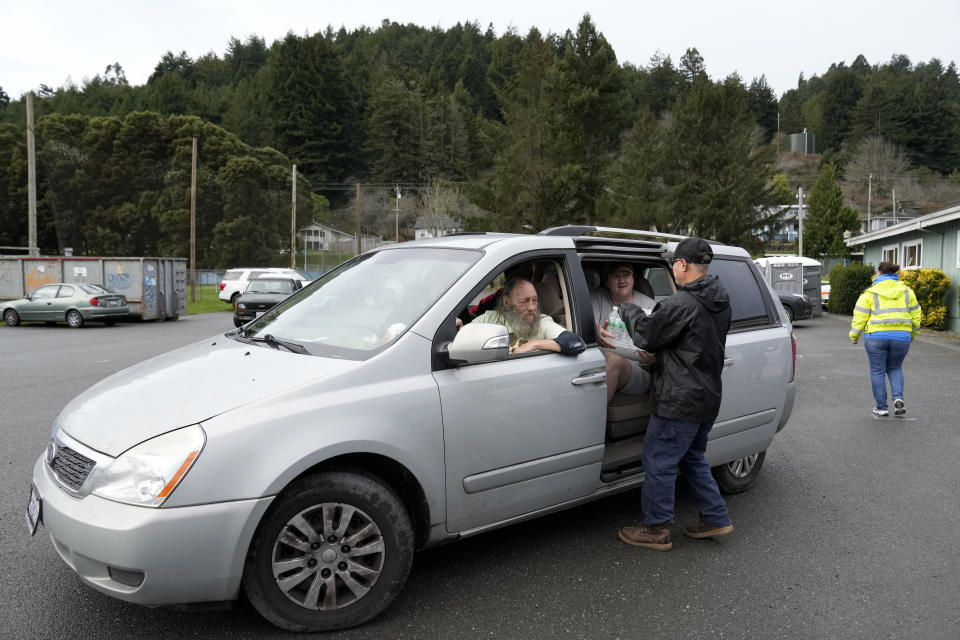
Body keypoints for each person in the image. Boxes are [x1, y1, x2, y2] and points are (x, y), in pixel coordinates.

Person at [601, 237, 733, 551]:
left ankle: (657, 528)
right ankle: (716, 516)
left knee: (659, 461)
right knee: (692, 458)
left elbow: (646, 335)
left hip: (679, 400)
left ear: (683, 265)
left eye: (674, 262)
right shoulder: (720, 298)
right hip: (707, 396)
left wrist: (630, 308)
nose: (673, 267)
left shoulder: (681, 303)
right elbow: (691, 344)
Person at [849, 261, 922, 417]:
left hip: (876, 337)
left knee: (877, 371)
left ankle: (881, 407)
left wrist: (854, 335)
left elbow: (860, 315)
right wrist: (913, 334)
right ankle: (898, 399)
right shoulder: (907, 291)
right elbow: (916, 315)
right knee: (895, 368)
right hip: (901, 337)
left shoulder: (870, 292)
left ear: (879, 273)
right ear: (895, 275)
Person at [472, 275, 585, 355]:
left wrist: (534, 345)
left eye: (534, 300)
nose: (532, 307)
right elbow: (460, 338)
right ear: (507, 302)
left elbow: (575, 342)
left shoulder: (542, 322)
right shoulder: (488, 319)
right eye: (524, 301)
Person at [590, 262, 655, 403]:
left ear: (633, 279)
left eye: (626, 275)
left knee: (613, 359)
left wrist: (654, 357)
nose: (622, 281)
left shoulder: (650, 305)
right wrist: (595, 327)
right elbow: (591, 318)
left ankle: (591, 421)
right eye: (616, 276)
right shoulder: (597, 296)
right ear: (607, 281)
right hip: (598, 362)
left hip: (638, 369)